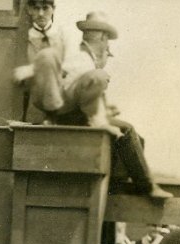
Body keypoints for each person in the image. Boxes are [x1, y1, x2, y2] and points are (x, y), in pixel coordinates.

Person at [29, 12, 172, 200]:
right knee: (127, 130)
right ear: (103, 38)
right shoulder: (85, 62)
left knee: (136, 139)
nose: (107, 48)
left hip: (64, 114)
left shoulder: (76, 55)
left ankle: (116, 184)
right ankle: (146, 187)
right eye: (107, 43)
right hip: (68, 119)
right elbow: (80, 98)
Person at [13, 0, 74, 123]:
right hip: (36, 98)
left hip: (62, 94)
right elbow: (19, 73)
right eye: (36, 8)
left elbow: (70, 64)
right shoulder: (24, 37)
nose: (41, 13)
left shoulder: (63, 34)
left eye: (45, 8)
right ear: (30, 10)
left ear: (53, 9)